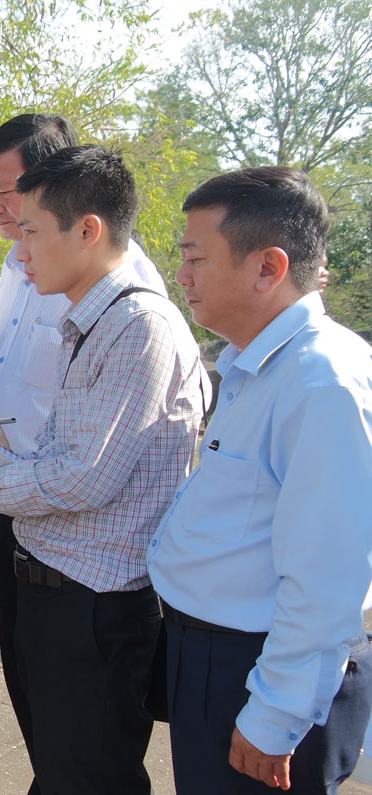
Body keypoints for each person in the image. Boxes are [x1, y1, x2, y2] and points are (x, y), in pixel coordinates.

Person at [0, 145, 206, 794]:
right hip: (60, 590)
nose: (20, 253)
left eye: (32, 233)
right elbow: (74, 449)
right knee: (63, 770)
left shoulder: (137, 326)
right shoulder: (93, 320)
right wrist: (1, 439)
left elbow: (83, 479)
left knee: (89, 774)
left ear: (89, 230)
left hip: (95, 603)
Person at [148, 167, 372, 794]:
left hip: (257, 666)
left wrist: (275, 715)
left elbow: (328, 575)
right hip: (218, 654)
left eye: (196, 258)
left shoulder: (320, 381)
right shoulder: (259, 366)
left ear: (268, 267)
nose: (182, 277)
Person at [0, 114, 168, 763]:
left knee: (88, 756)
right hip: (30, 522)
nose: (5, 218)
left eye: (17, 201)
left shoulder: (129, 314)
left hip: (91, 567)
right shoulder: (33, 269)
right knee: (52, 738)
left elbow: (85, 473)